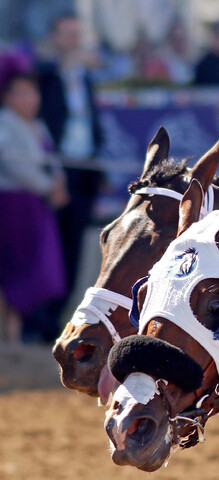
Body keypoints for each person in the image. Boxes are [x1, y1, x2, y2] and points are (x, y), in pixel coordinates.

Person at [36, 13, 103, 338]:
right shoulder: (46, 75)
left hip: (83, 171)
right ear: (55, 37)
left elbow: (92, 122)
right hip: (52, 171)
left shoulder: (85, 78)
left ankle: (56, 318)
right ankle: (39, 321)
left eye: (78, 34)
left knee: (74, 249)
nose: (74, 40)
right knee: (49, 247)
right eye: (68, 34)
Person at [0, 70, 67, 344]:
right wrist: (48, 186)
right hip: (14, 205)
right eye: (23, 93)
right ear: (8, 97)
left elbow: (52, 160)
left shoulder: (37, 125)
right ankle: (11, 335)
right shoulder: (5, 124)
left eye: (33, 93)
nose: (31, 99)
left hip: (36, 205)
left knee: (39, 269)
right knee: (16, 268)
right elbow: (15, 165)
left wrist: (58, 183)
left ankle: (19, 333)